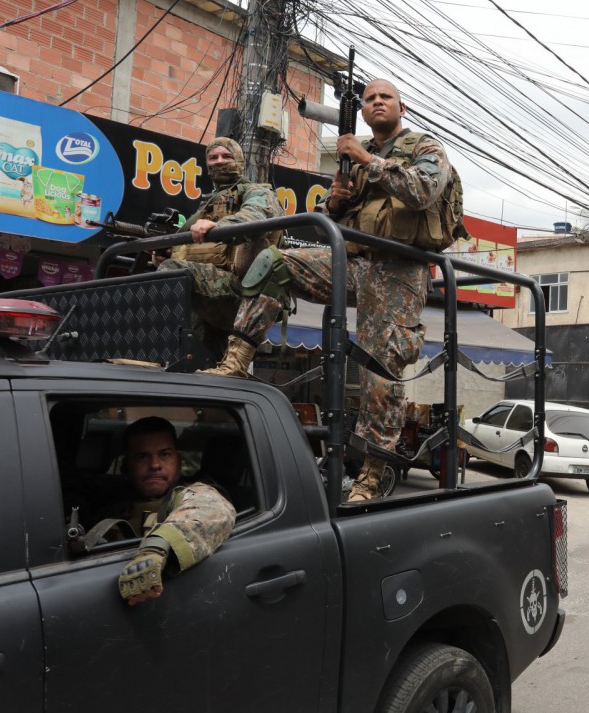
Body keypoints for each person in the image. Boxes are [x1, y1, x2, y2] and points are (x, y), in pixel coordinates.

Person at [201, 79, 453, 503]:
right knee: (273, 263)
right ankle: (237, 359)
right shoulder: (356, 159)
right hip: (353, 263)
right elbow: (335, 217)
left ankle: (371, 475)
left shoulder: (424, 148)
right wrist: (333, 205)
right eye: (370, 98)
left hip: (398, 272)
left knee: (379, 369)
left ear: (401, 107)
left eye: (384, 97)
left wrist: (364, 157)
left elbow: (423, 191)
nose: (375, 103)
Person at [157, 138, 286, 361]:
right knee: (204, 362)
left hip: (244, 294)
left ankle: (154, 343)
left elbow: (254, 217)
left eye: (226, 157)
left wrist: (220, 227)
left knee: (174, 272)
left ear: (239, 161)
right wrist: (168, 252)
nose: (219, 162)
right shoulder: (206, 207)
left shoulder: (259, 193)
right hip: (208, 297)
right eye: (213, 158)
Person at [107, 416, 236, 605]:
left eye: (165, 454)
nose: (155, 465)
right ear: (126, 466)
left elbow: (212, 509)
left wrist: (155, 548)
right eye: (142, 456)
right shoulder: (110, 502)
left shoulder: (192, 494)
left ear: (179, 460)